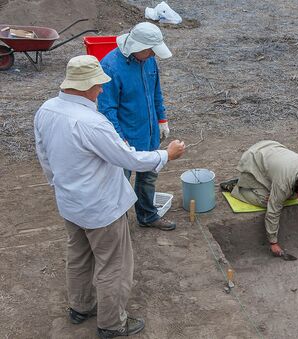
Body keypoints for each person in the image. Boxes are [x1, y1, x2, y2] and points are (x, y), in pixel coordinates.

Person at [34, 55, 185, 338]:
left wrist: (58, 186)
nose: (102, 90)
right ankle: (112, 324)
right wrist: (167, 154)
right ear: (86, 86)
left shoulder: (46, 110)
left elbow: (44, 156)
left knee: (78, 256)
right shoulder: (92, 123)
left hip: (70, 203)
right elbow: (128, 159)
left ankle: (80, 307)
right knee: (114, 265)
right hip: (102, 209)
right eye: (98, 85)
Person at [98, 22, 176, 231]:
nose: (153, 55)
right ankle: (117, 226)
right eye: (150, 50)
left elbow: (156, 92)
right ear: (137, 46)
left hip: (149, 134)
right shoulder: (110, 67)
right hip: (125, 138)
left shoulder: (149, 62)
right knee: (119, 184)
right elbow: (107, 108)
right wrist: (118, 138)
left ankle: (148, 215)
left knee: (148, 178)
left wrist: (162, 120)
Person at [220, 140, 298, 259]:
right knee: (266, 200)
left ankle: (247, 182)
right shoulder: (283, 184)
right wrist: (273, 243)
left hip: (271, 148)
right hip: (254, 158)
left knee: (279, 195)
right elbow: (273, 212)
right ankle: (237, 188)